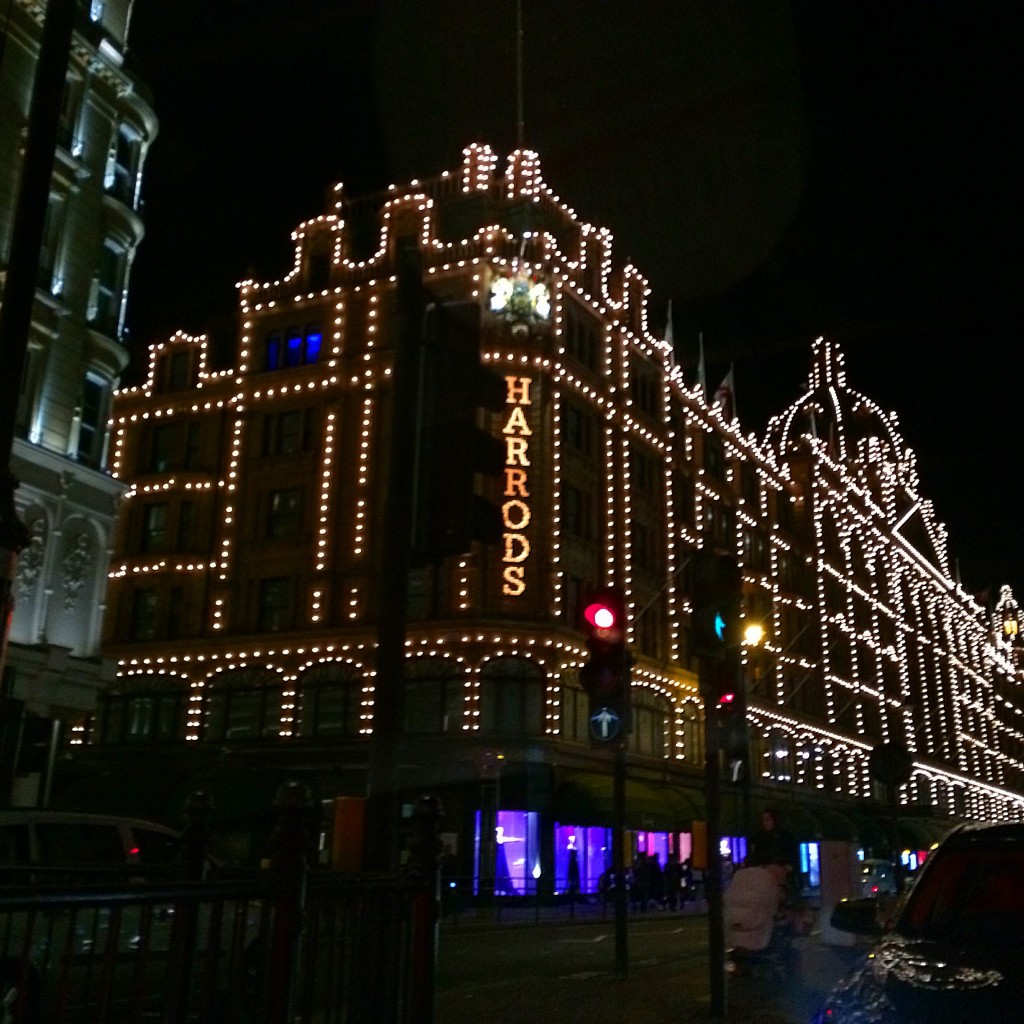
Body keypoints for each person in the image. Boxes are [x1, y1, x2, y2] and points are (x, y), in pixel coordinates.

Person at [748, 807, 800, 907]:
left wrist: (789, 866)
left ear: (774, 820)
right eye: (763, 820)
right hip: (765, 873)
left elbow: (793, 854)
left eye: (767, 820)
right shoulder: (759, 837)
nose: (764, 823)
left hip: (782, 873)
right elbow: (756, 855)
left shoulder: (786, 837)